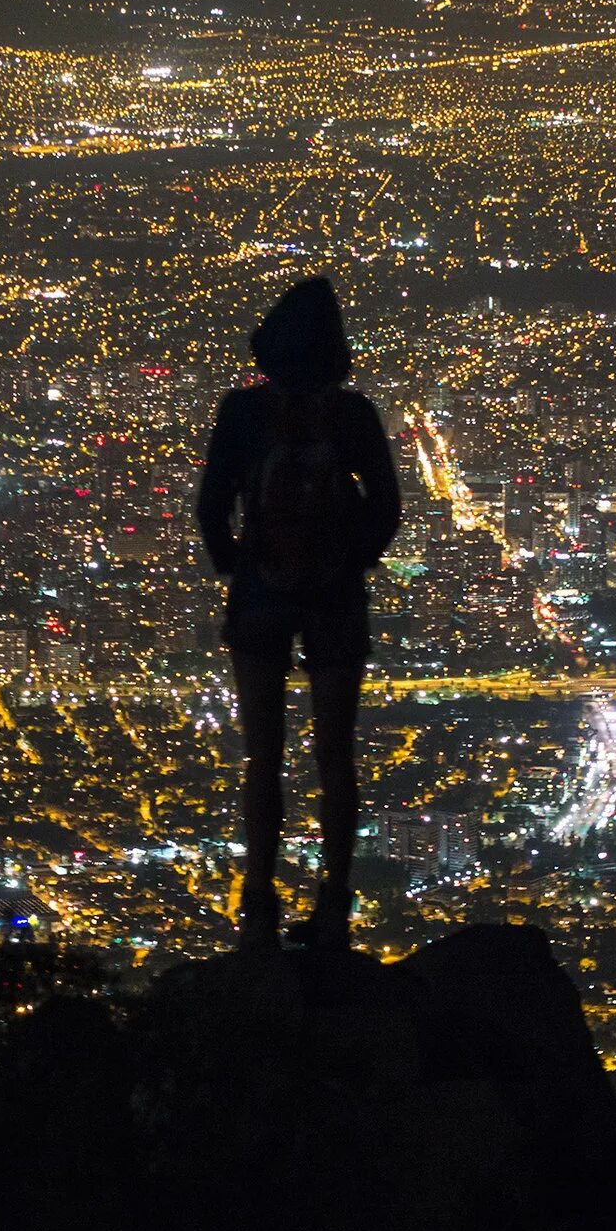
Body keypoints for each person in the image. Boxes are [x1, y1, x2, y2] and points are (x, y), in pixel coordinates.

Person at [196, 276, 401, 951]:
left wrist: (241, 563)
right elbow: (387, 507)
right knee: (336, 757)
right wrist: (349, 560)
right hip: (335, 599)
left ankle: (258, 906)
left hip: (261, 596)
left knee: (264, 758)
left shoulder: (243, 413)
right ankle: (333, 907)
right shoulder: (353, 415)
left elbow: (211, 505)